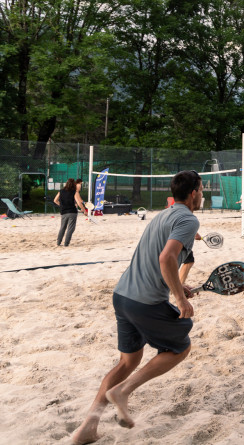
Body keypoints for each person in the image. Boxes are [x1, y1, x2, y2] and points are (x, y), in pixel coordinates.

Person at [71, 170, 203, 445]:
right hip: (144, 302)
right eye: (201, 190)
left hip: (122, 295)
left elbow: (156, 261)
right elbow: (166, 257)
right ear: (193, 193)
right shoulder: (189, 219)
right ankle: (123, 391)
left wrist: (177, 288)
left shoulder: (162, 214)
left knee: (128, 361)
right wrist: (179, 299)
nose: (202, 195)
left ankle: (88, 427)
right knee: (180, 347)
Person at [54, 178, 87, 247]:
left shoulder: (61, 191)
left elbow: (55, 200)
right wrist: (84, 210)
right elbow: (79, 202)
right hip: (72, 212)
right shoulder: (74, 192)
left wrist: (62, 205)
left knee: (62, 227)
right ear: (73, 184)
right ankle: (66, 243)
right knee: (71, 228)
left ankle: (58, 242)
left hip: (63, 212)